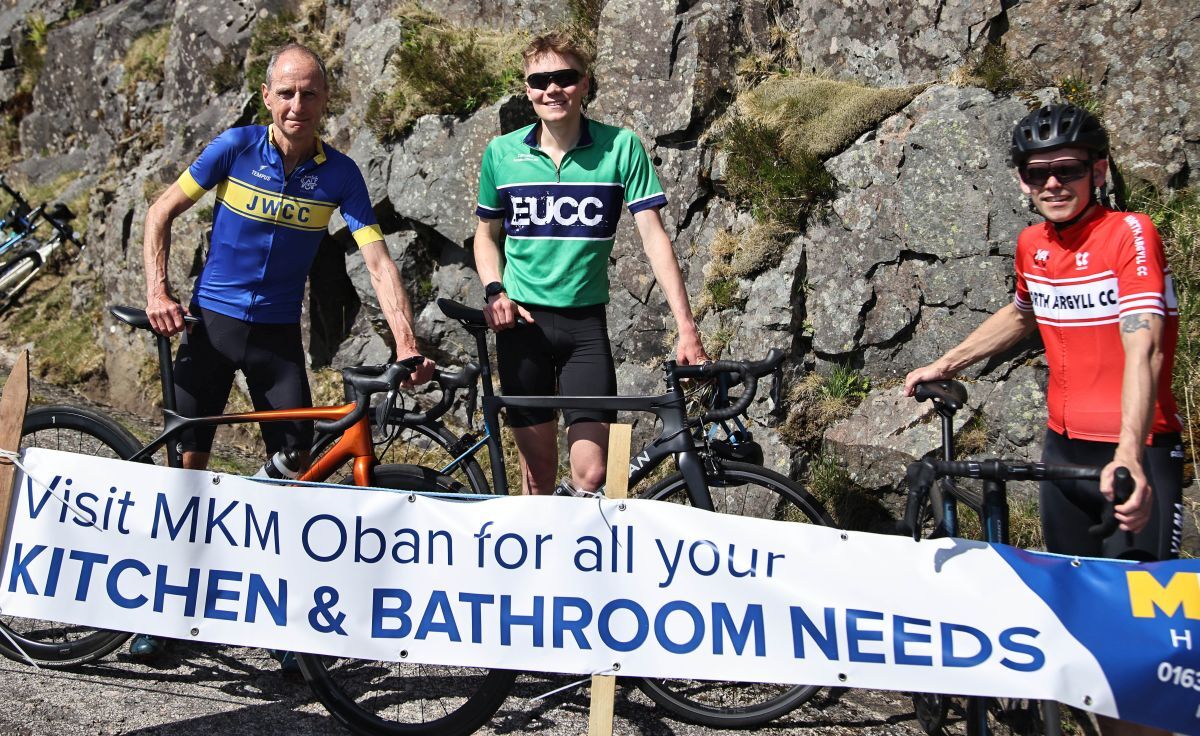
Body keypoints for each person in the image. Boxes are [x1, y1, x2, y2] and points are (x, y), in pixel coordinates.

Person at [135, 43, 432, 662]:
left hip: (275, 338)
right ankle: (164, 619)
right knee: (186, 479)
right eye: (286, 93)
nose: (297, 104)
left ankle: (285, 630)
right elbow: (160, 213)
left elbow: (377, 260)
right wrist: (157, 292)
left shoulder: (341, 174)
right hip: (210, 329)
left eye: (310, 93)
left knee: (296, 477)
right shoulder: (235, 148)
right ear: (268, 96)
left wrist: (406, 342)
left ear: (326, 100)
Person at [904, 103, 1182, 736]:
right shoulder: (1033, 245)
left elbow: (1145, 346)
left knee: (1137, 661)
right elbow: (1023, 315)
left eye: (1069, 169)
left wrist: (1131, 455)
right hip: (1063, 456)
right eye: (1037, 174)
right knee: (1079, 640)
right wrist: (947, 361)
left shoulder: (1130, 234)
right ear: (1021, 182)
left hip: (1134, 458)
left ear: (1099, 170)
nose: (1053, 184)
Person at [474, 31, 707, 495]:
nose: (551, 89)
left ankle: (593, 556)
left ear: (584, 84)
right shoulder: (502, 154)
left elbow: (653, 237)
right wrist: (495, 290)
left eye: (564, 77)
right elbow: (485, 236)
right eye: (539, 81)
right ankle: (535, 564)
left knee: (596, 476)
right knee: (537, 478)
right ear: (527, 90)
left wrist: (687, 327)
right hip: (522, 326)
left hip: (585, 329)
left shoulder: (621, 147)